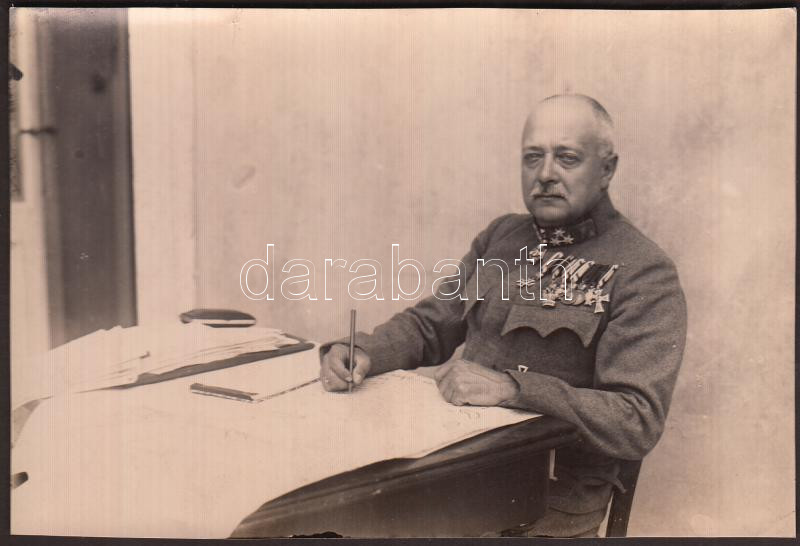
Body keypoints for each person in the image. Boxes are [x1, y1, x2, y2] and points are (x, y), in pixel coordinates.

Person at [319, 94, 687, 537]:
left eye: (567, 158)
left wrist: (515, 388)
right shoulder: (502, 237)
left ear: (606, 169)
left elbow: (637, 419)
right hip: (454, 472)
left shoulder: (643, 270)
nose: (545, 174)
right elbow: (431, 324)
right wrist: (363, 351)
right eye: (533, 157)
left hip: (547, 503)